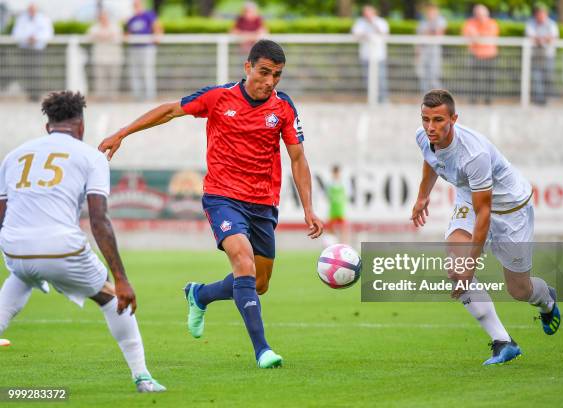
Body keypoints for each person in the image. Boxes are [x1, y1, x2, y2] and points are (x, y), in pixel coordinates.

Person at [98, 40, 324, 369]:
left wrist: (308, 208)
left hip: (263, 203)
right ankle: (262, 350)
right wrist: (123, 132)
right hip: (223, 197)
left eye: (277, 75)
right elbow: (170, 110)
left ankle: (200, 295)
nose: (270, 81)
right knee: (243, 262)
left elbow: (298, 157)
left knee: (259, 284)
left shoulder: (284, 107)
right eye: (264, 72)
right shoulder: (219, 97)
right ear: (247, 68)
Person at [0, 91, 165, 392]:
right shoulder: (90, 157)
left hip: (13, 246)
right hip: (62, 250)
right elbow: (99, 221)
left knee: (21, 275)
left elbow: (1, 214)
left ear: (47, 125)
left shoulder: (14, 155)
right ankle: (143, 377)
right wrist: (122, 278)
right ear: (81, 125)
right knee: (114, 299)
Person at [411, 89, 561, 365]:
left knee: (519, 290)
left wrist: (472, 263)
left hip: (511, 209)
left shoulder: (474, 154)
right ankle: (503, 342)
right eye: (426, 119)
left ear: (454, 119)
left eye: (438, 120)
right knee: (456, 267)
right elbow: (431, 160)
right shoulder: (423, 137)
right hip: (471, 197)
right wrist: (423, 196)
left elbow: (485, 213)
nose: (430, 127)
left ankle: (546, 300)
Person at [11, 3, 54, 101]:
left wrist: (36, 38)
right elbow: (16, 33)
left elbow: (48, 34)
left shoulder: (43, 18)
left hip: (37, 49)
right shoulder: (21, 19)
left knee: (37, 72)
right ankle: (29, 93)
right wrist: (27, 38)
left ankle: (36, 95)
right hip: (25, 49)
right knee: (26, 73)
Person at [125, 0, 163, 101]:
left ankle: (150, 96)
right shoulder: (132, 19)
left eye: (138, 4)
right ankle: (137, 96)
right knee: (135, 72)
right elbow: (128, 32)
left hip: (147, 47)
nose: (136, 7)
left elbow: (157, 26)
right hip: (135, 48)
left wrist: (157, 37)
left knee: (147, 72)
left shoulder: (148, 15)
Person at [352, 5, 389, 103]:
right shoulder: (360, 22)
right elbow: (356, 35)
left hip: (379, 56)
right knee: (367, 79)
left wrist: (373, 23)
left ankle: (383, 100)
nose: (367, 15)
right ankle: (372, 99)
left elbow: (384, 33)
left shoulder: (381, 21)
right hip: (365, 56)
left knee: (381, 79)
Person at [462, 4, 498, 104]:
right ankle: (473, 100)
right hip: (475, 54)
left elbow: (490, 37)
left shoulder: (492, 23)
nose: (480, 16)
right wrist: (478, 37)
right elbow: (466, 35)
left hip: (490, 55)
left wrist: (476, 36)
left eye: (482, 14)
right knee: (474, 79)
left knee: (490, 79)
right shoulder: (470, 22)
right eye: (477, 14)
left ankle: (488, 100)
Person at [526, 4, 559, 105]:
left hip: (548, 55)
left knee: (548, 76)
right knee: (536, 77)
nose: (540, 16)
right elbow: (531, 36)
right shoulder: (531, 23)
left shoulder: (552, 24)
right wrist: (543, 39)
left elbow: (553, 37)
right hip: (535, 55)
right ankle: (539, 99)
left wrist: (540, 39)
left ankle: (547, 98)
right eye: (538, 14)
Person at [87, 9, 124, 100]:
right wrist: (104, 36)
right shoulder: (95, 27)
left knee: (114, 78)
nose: (103, 19)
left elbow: (119, 38)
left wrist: (104, 36)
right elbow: (89, 37)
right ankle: (101, 97)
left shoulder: (115, 27)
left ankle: (113, 97)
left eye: (105, 17)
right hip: (99, 58)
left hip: (114, 58)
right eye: (101, 17)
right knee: (100, 78)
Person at [416, 4, 446, 93]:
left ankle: (438, 96)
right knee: (423, 75)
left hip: (434, 51)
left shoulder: (440, 21)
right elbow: (419, 37)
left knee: (434, 74)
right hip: (424, 51)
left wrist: (428, 30)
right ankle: (425, 96)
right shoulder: (422, 23)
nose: (430, 14)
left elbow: (438, 33)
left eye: (433, 12)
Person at [326, 164, 350, 245]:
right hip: (333, 210)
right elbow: (327, 196)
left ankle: (344, 244)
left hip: (341, 210)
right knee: (330, 228)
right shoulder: (329, 184)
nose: (336, 174)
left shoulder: (344, 183)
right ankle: (332, 243)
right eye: (335, 172)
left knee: (343, 229)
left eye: (337, 172)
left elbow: (347, 196)